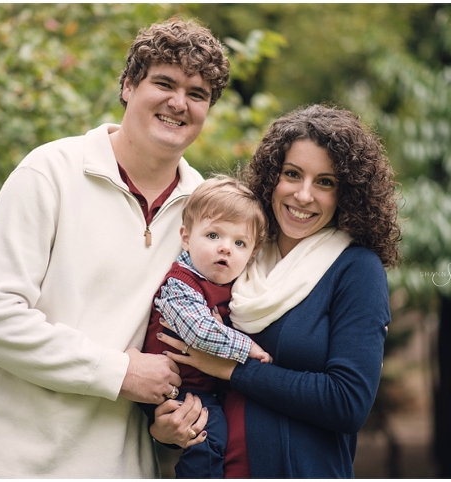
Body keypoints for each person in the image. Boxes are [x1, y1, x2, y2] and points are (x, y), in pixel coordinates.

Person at [0, 18, 230, 478]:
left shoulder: (208, 214)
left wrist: (171, 422)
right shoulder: (50, 171)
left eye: (197, 94)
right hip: (2, 461)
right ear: (129, 86)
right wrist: (117, 372)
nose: (179, 103)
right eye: (164, 83)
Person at [155, 104, 402, 477]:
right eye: (292, 174)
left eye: (325, 182)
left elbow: (348, 403)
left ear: (347, 193)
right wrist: (167, 428)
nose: (303, 195)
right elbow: (188, 372)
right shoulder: (238, 256)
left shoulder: (355, 270)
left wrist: (234, 370)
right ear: (273, 177)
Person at [141, 175, 271, 478]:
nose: (226, 248)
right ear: (186, 237)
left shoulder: (234, 287)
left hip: (202, 387)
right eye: (214, 236)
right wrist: (247, 347)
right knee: (207, 439)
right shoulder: (180, 284)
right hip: (176, 388)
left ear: (252, 254)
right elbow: (199, 332)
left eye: (239, 243)